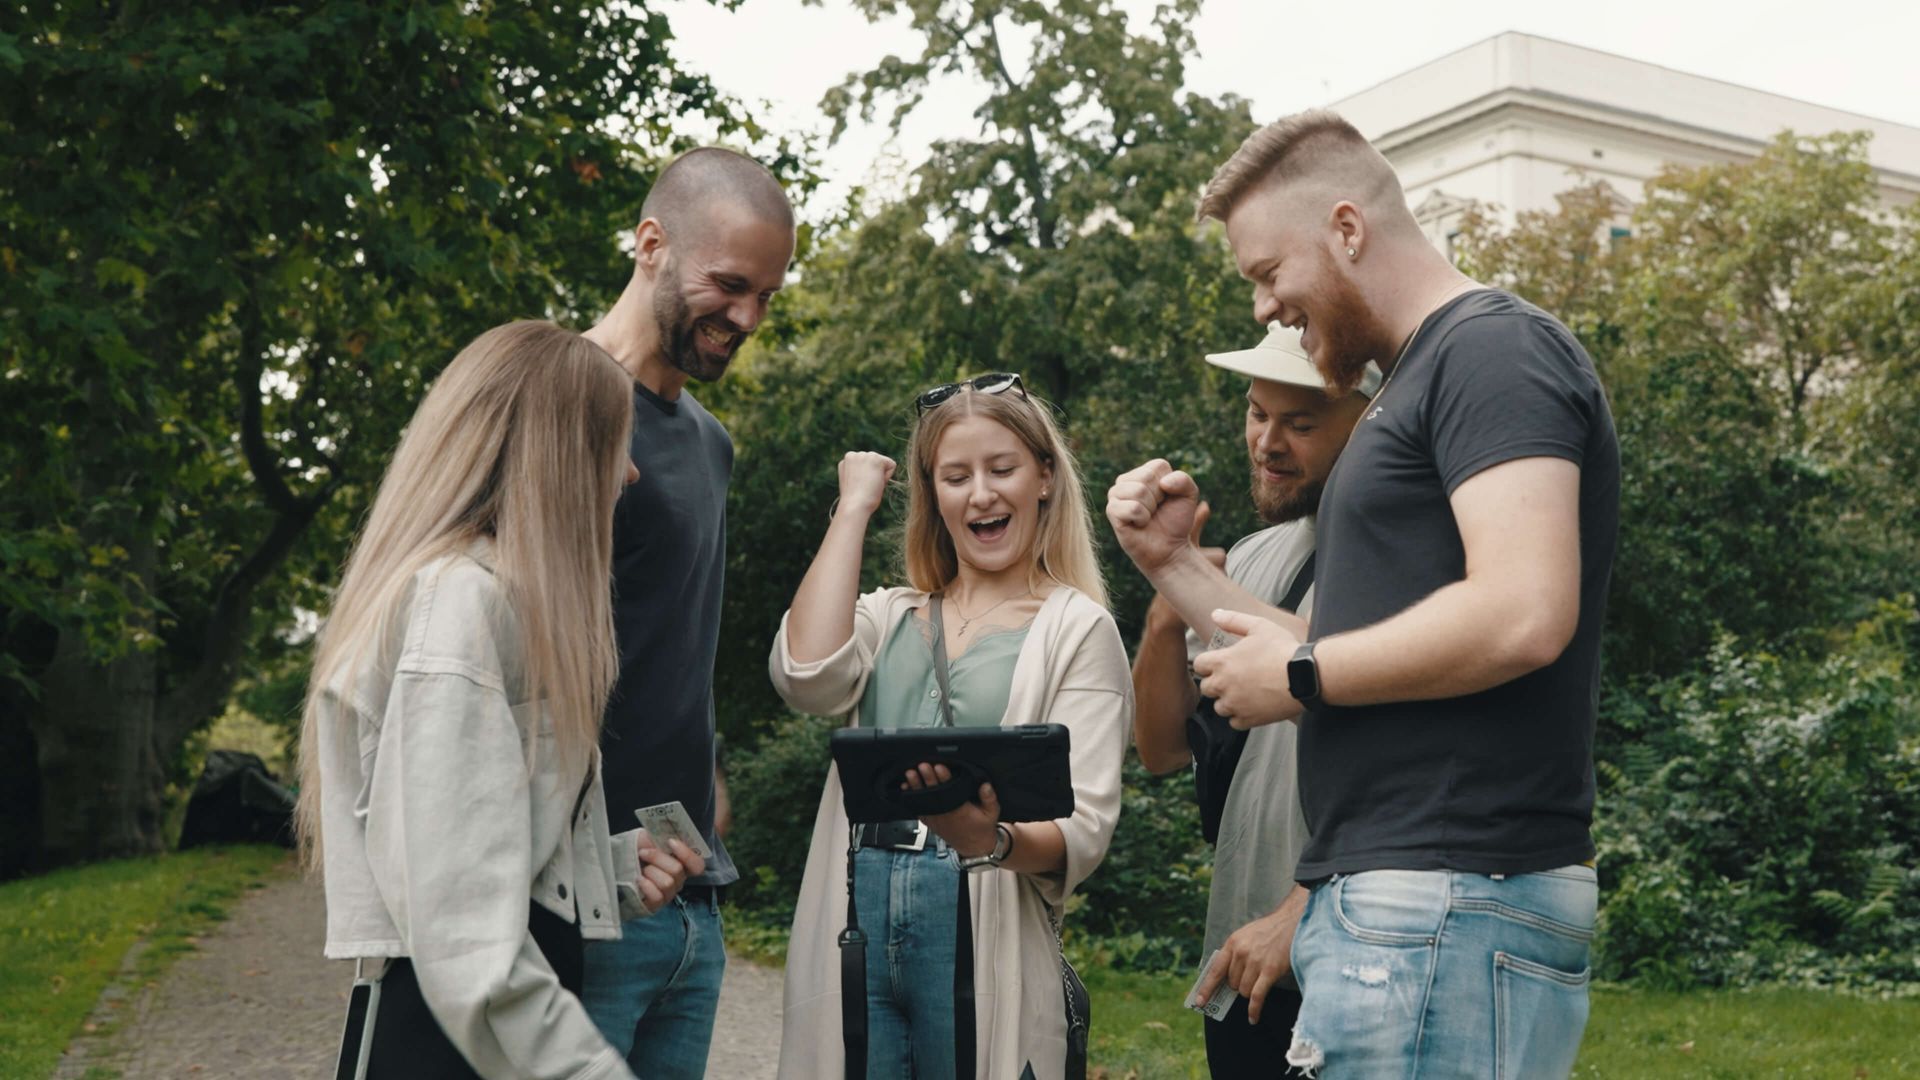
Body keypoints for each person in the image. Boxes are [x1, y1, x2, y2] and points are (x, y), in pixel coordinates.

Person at [1166, 109, 1620, 1077]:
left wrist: (1300, 669)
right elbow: (1369, 648)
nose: (1263, 309)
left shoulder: (1492, 352)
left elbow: (1524, 610)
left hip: (1446, 902)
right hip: (1404, 906)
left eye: (1266, 274)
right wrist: (1172, 567)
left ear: (1345, 228)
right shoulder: (1422, 378)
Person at [296, 321, 705, 1079]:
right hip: (451, 1044)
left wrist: (608, 870)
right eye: (616, 446)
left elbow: (466, 852)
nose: (631, 476)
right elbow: (464, 944)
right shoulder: (459, 608)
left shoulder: (493, 605)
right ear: (560, 457)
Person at [769, 374, 1130, 1080]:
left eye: (1003, 469)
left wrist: (987, 839)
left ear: (1046, 479)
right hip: (856, 911)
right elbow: (806, 677)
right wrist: (852, 509)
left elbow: (1083, 829)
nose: (982, 494)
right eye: (955, 476)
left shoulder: (1078, 628)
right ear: (934, 496)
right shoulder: (885, 615)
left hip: (978, 907)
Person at [577, 147, 796, 1078]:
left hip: (692, 890)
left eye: (767, 298)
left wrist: (704, 767)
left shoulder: (712, 443)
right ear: (652, 244)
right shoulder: (560, 406)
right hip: (582, 897)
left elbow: (662, 625)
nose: (745, 319)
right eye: (731, 285)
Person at [1116, 324, 1376, 1078]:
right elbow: (1162, 748)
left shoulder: (1401, 553)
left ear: (1372, 420)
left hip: (1346, 956)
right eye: (1259, 413)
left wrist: (1303, 913)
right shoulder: (1259, 555)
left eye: (1300, 423)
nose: (1267, 442)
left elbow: (1414, 742)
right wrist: (1168, 611)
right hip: (1243, 966)